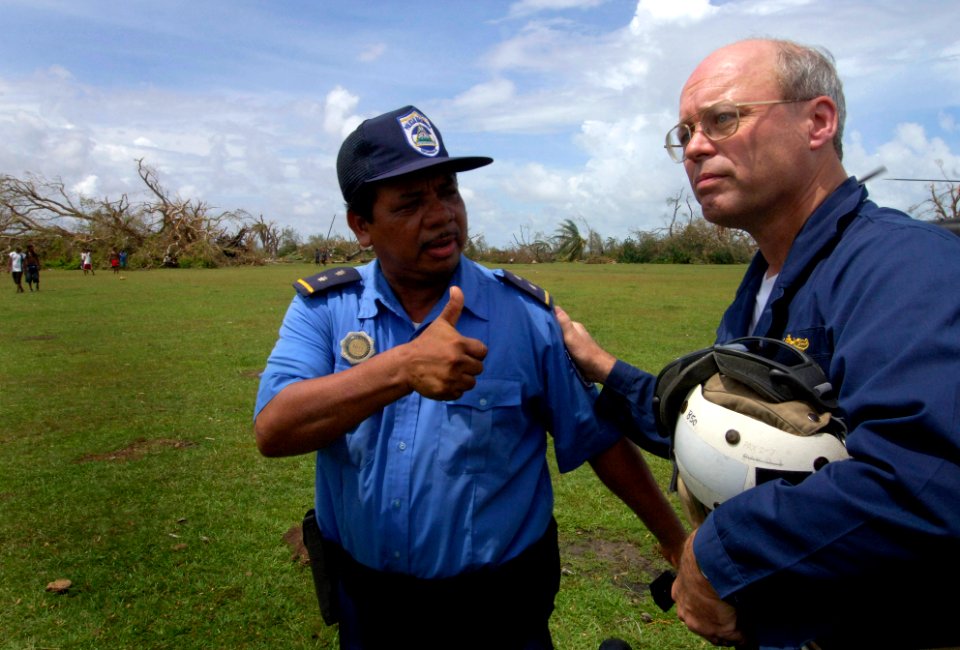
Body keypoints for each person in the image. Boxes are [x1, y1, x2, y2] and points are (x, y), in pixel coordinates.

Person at [557, 38, 960, 649]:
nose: (694, 147)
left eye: (723, 119)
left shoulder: (905, 269)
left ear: (817, 122)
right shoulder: (764, 284)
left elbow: (925, 478)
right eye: (686, 131)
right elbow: (730, 432)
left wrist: (717, 553)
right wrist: (602, 367)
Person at [254, 105, 686, 650]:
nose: (441, 216)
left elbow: (598, 439)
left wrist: (676, 544)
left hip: (497, 612)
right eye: (410, 202)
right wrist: (401, 368)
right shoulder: (324, 310)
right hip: (370, 610)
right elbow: (274, 429)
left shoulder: (524, 317)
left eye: (448, 192)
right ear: (361, 226)